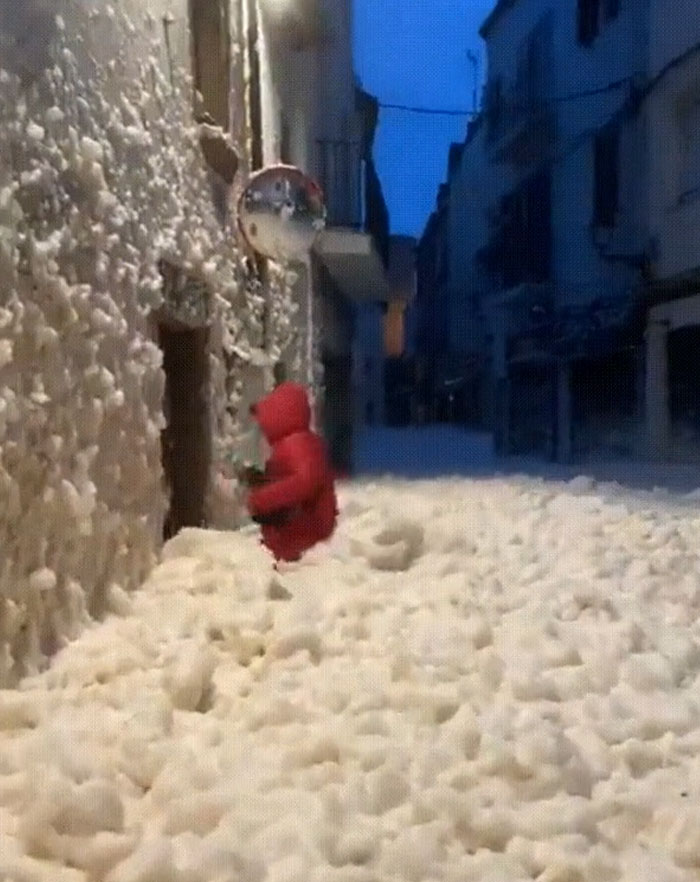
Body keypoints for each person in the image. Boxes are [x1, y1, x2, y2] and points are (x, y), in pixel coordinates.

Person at [242, 382, 338, 563]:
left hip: (305, 529)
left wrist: (262, 499)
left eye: (266, 420)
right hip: (303, 527)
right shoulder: (295, 443)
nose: (261, 429)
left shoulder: (297, 445)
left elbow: (304, 482)